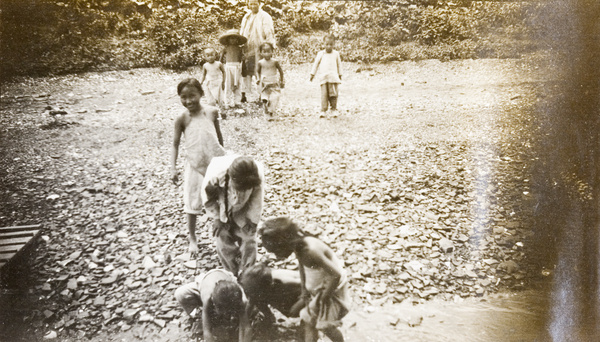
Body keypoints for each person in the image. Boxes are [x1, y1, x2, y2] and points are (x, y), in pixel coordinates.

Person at [260, 217, 350, 342]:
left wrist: (324, 297)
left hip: (331, 291)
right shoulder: (298, 247)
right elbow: (301, 267)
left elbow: (336, 275)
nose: (276, 256)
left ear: (286, 242)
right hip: (319, 290)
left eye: (277, 251)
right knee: (308, 320)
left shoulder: (310, 250)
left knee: (326, 326)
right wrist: (304, 290)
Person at [171, 78, 225, 254]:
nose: (188, 101)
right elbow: (175, 144)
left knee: (221, 199)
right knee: (192, 202)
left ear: (201, 94)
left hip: (214, 164)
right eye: (183, 97)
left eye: (192, 96)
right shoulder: (182, 118)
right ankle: (193, 238)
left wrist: (223, 160)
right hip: (194, 164)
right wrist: (173, 168)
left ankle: (224, 236)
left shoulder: (211, 112)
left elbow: (218, 137)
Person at [201, 155, 264, 276]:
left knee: (249, 237)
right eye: (240, 187)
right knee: (222, 237)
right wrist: (216, 217)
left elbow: (257, 198)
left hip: (244, 206)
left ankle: (248, 272)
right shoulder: (215, 174)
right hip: (222, 202)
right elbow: (208, 197)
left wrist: (252, 220)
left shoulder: (257, 173)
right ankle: (231, 271)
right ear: (231, 178)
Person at [174, 268, 252, 342]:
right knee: (180, 294)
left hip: (227, 277)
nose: (225, 314)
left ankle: (232, 314)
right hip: (205, 281)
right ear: (213, 303)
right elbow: (207, 331)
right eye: (223, 311)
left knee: (246, 310)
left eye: (228, 312)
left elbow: (246, 328)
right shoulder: (207, 298)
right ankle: (199, 315)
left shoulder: (240, 299)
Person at [239, 0, 275, 103]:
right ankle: (243, 94)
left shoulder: (265, 16)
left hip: (260, 48)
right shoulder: (246, 17)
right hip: (247, 47)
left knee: (260, 70)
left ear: (259, 4)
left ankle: (262, 95)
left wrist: (269, 47)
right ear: (248, 4)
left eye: (255, 3)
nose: (253, 6)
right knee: (245, 71)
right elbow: (242, 31)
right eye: (251, 3)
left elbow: (269, 32)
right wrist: (241, 44)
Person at [310, 35, 343, 118]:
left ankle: (333, 109)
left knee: (333, 94)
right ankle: (323, 110)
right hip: (323, 78)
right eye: (327, 44)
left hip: (333, 78)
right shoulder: (320, 54)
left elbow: (339, 64)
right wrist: (312, 74)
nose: (329, 46)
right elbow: (316, 64)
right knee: (324, 95)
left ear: (334, 44)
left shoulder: (336, 54)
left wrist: (340, 74)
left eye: (331, 44)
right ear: (323, 44)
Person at [219, 29, 247, 108]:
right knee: (228, 84)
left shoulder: (240, 49)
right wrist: (219, 66)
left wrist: (243, 59)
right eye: (231, 38)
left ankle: (237, 101)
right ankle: (227, 102)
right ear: (228, 40)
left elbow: (242, 58)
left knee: (237, 84)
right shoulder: (225, 49)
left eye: (235, 38)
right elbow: (221, 59)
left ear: (238, 40)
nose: (233, 40)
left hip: (237, 67)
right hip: (228, 67)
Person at [256, 42, 284, 116]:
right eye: (264, 52)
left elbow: (281, 71)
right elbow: (257, 72)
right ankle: (265, 103)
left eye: (269, 51)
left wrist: (281, 80)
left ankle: (271, 110)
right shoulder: (260, 62)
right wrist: (258, 79)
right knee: (264, 95)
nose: (267, 54)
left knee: (275, 97)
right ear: (261, 53)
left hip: (273, 82)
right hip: (264, 82)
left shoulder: (275, 62)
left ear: (272, 52)